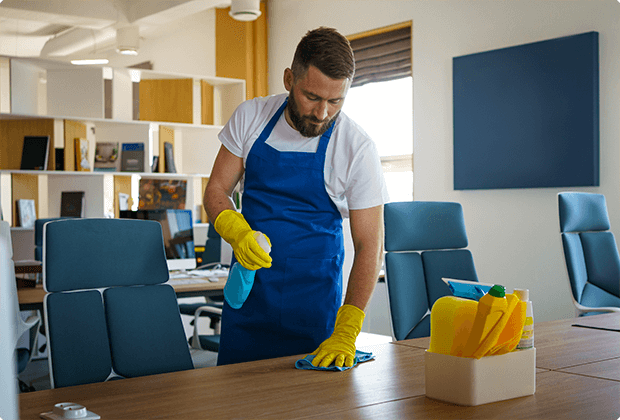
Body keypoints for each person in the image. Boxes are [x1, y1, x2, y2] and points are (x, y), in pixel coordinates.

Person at [205, 26, 389, 367]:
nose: (322, 113)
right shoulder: (251, 117)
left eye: (336, 101)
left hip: (315, 310)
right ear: (290, 78)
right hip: (249, 298)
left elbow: (370, 246)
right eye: (313, 97)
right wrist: (237, 231)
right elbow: (217, 190)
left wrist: (348, 329)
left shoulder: (356, 148)